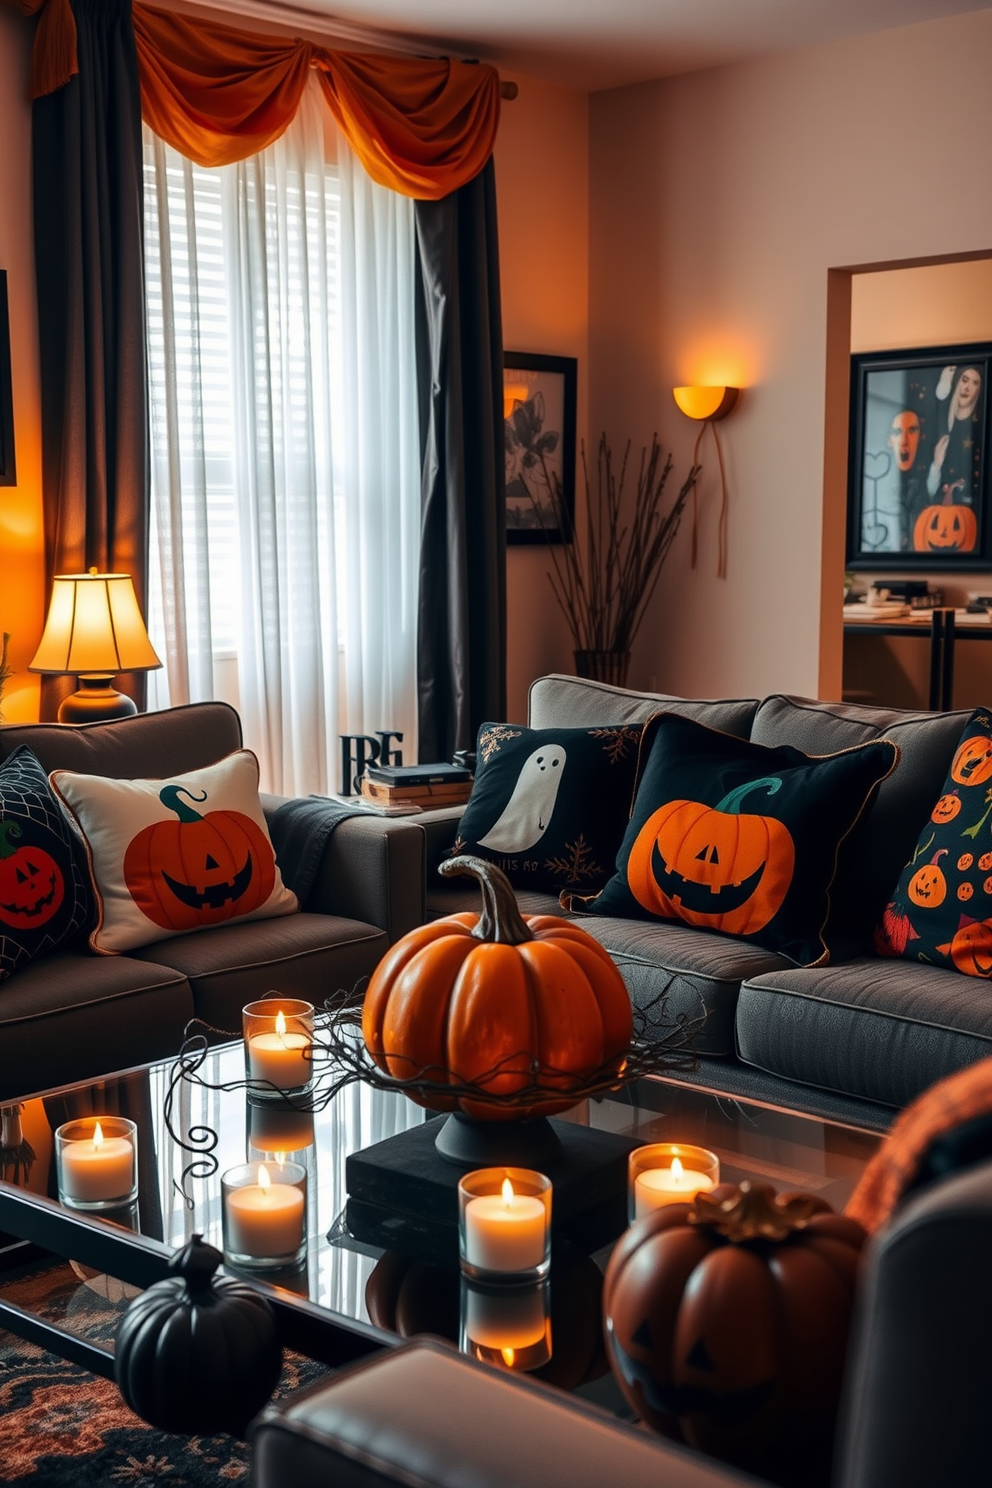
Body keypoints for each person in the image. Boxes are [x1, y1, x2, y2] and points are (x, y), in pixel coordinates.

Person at [927, 364, 983, 503]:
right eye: (964, 380)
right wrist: (936, 465)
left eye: (974, 383)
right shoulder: (943, 424)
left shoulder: (979, 426)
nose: (967, 388)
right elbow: (930, 491)